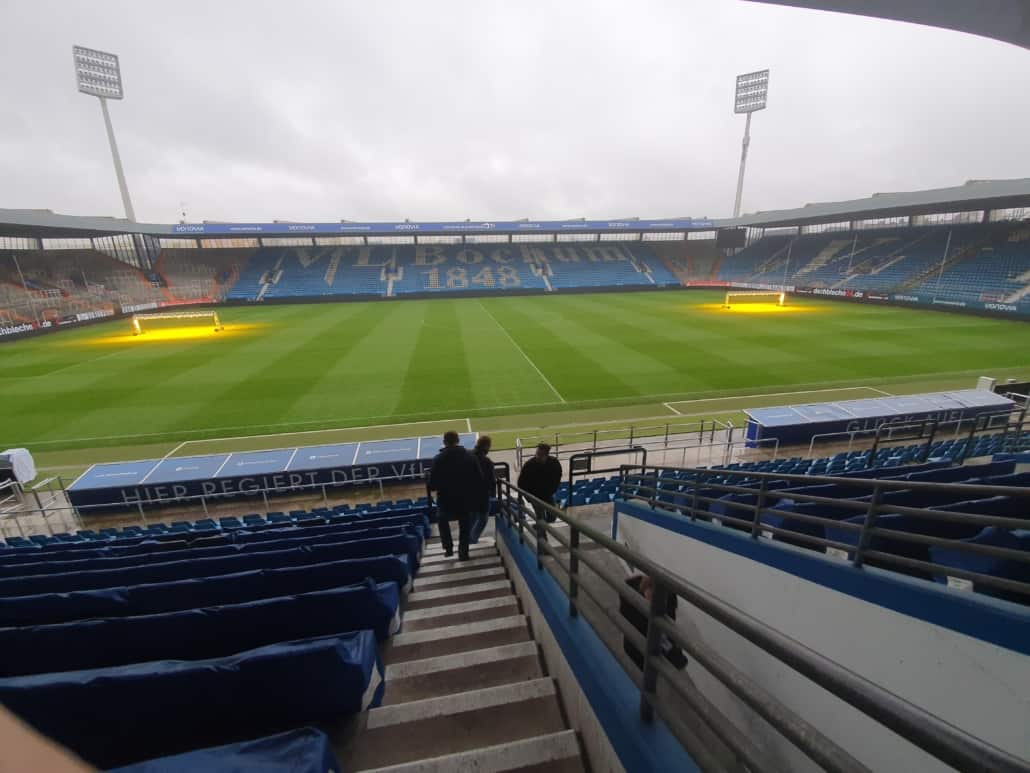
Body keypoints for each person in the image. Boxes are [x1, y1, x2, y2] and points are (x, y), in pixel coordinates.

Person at [620, 573, 688, 671]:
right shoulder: (631, 596)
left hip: (644, 640)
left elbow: (668, 627)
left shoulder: (669, 598)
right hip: (638, 647)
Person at [428, 430, 478, 560]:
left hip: (445, 499)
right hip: (465, 499)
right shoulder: (470, 457)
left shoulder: (438, 459)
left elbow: (432, 484)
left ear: (444, 442)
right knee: (465, 525)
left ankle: (448, 549)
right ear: (458, 440)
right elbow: (478, 478)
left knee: (442, 520)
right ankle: (463, 553)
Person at [517, 442, 563, 522]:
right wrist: (529, 498)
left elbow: (557, 478)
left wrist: (552, 491)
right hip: (534, 497)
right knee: (540, 517)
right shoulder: (529, 465)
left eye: (540, 454)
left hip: (548, 495)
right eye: (537, 453)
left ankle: (543, 527)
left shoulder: (554, 463)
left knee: (552, 517)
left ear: (546, 455)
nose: (537, 456)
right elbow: (521, 483)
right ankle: (541, 532)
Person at [469, 435, 495, 544]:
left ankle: (468, 539)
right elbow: (490, 480)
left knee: (472, 517)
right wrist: (493, 493)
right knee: (483, 518)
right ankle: (472, 539)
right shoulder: (487, 461)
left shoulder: (467, 455)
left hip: (468, 493)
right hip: (482, 495)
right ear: (486, 446)